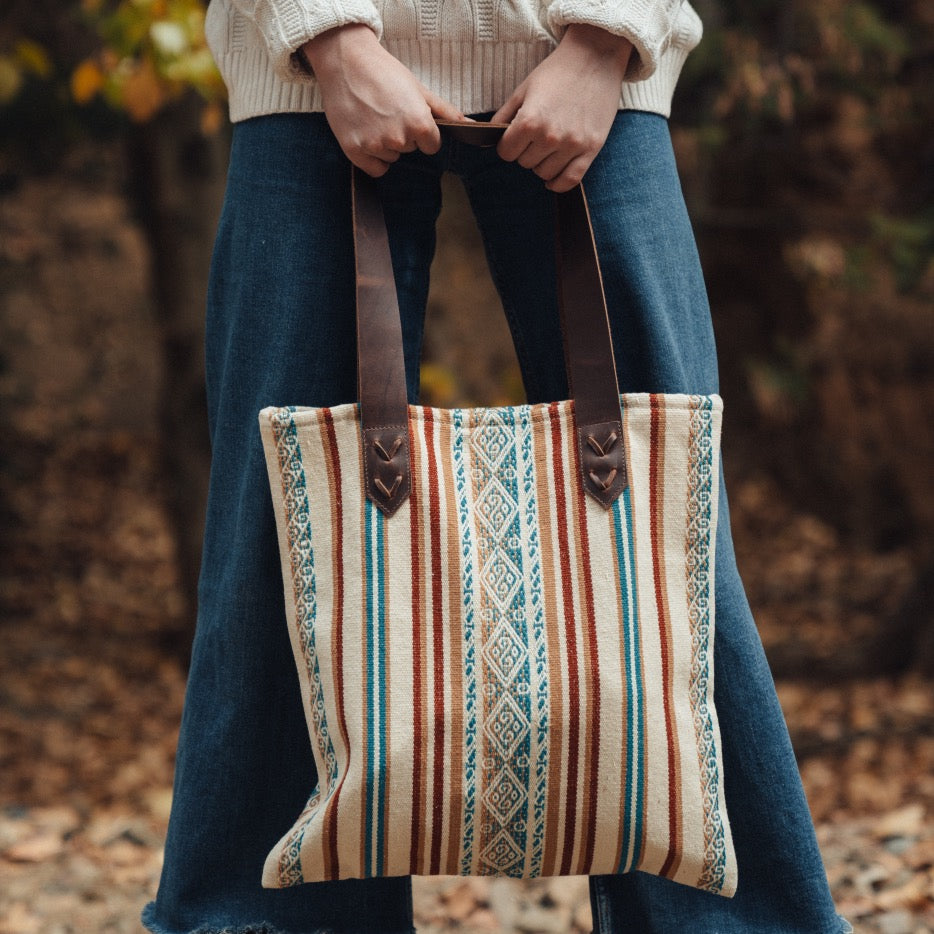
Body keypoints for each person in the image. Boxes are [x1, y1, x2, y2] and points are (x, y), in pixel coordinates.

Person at [142, 0, 852, 931]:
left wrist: (607, 38)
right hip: (307, 79)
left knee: (666, 523)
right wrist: (326, 35)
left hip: (599, 75)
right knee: (282, 528)